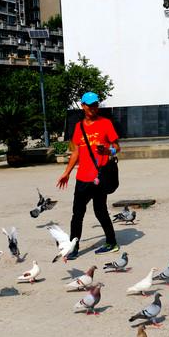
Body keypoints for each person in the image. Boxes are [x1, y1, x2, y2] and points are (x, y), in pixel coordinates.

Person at [57, 91, 121, 258]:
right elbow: (75, 153)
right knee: (77, 214)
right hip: (82, 178)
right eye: (90, 105)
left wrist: (107, 150)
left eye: (96, 104)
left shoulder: (106, 123)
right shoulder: (78, 127)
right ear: (83, 106)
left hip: (100, 176)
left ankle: (112, 242)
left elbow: (117, 148)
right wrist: (67, 173)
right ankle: (73, 247)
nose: (93, 108)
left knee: (100, 211)